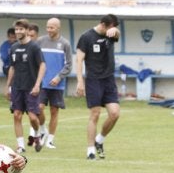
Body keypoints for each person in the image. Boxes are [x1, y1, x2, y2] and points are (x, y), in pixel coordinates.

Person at [76, 14, 121, 160]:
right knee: (95, 114)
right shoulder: (86, 37)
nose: (112, 30)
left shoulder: (111, 34)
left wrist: (115, 31)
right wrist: (80, 81)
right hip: (93, 80)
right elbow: (79, 60)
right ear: (102, 24)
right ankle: (90, 151)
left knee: (114, 114)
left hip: (109, 79)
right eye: (110, 27)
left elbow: (117, 35)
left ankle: (99, 140)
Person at [6, 19, 46, 153]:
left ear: (27, 31)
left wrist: (37, 84)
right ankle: (21, 145)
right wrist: (8, 86)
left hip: (31, 87)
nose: (18, 32)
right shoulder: (13, 47)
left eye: (21, 29)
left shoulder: (34, 47)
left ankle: (37, 134)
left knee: (33, 117)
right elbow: (12, 67)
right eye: (16, 29)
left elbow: (42, 65)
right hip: (17, 86)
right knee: (17, 115)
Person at [35, 17, 72, 149]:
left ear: (58, 28)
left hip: (57, 84)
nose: (49, 29)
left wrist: (58, 77)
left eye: (52, 27)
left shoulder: (65, 44)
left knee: (54, 111)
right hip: (42, 83)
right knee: (39, 108)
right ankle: (43, 129)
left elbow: (68, 65)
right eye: (48, 27)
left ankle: (50, 140)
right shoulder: (40, 41)